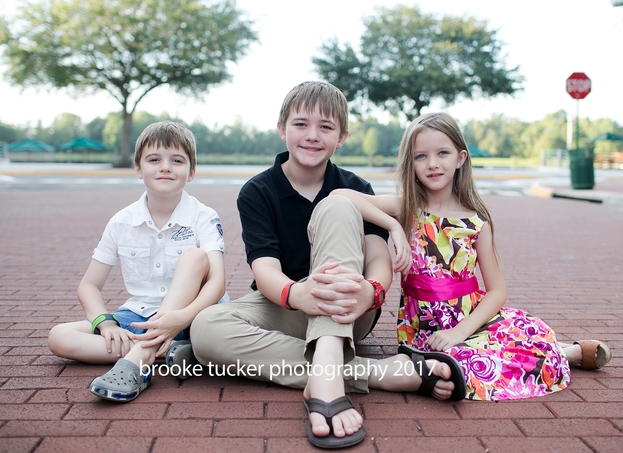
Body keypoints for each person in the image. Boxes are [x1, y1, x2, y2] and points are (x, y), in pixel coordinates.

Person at [190, 82, 465, 450]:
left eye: (326, 127)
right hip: (286, 301)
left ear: (342, 137)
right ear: (282, 128)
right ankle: (374, 372)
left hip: (353, 304)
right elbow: (265, 271)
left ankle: (329, 372)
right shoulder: (258, 191)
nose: (312, 136)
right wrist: (298, 293)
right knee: (206, 329)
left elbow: (377, 258)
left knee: (336, 205)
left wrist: (373, 289)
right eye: (301, 124)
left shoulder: (352, 186)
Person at [333, 112, 612, 401]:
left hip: (469, 319)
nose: (432, 164)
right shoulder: (408, 208)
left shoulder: (477, 222)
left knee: (523, 335)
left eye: (443, 153)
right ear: (411, 163)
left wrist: (460, 330)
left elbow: (497, 291)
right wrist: (393, 225)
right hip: (424, 327)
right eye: (421, 156)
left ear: (460, 157)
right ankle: (560, 351)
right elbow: (340, 195)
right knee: (461, 364)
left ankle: (567, 352)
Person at [48, 121, 227, 402]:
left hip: (194, 315)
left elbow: (217, 283)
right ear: (137, 168)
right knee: (59, 337)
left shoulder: (203, 216)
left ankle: (139, 362)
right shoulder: (122, 221)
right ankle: (167, 349)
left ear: (191, 172)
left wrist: (177, 318)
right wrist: (105, 325)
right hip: (138, 316)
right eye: (154, 159)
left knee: (195, 256)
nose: (165, 167)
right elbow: (89, 286)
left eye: (177, 160)